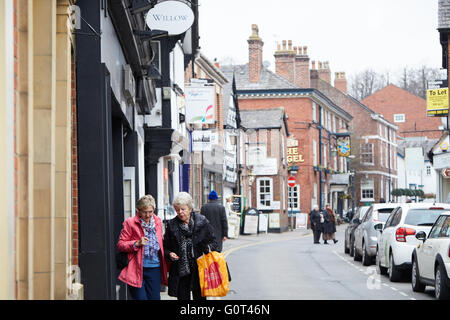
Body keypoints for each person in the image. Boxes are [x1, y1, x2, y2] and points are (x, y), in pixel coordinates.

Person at [163, 192, 218, 300]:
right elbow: (165, 247)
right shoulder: (172, 225)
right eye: (177, 209)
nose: (180, 212)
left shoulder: (202, 221)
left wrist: (207, 248)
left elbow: (214, 242)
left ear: (190, 208)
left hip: (200, 269)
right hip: (181, 271)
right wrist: (170, 254)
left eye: (183, 209)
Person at [117, 195, 168, 300]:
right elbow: (121, 245)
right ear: (138, 210)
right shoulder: (130, 223)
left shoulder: (158, 221)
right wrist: (136, 244)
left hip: (155, 268)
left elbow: (161, 244)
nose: (148, 215)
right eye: (144, 212)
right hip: (136, 268)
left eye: (150, 211)